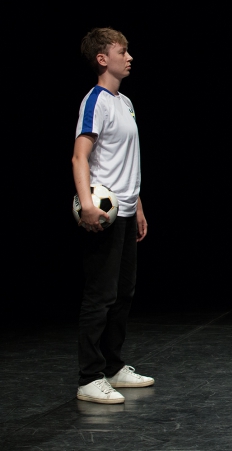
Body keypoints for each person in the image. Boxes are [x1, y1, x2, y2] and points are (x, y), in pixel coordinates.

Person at [72, 28, 152, 404]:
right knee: (100, 295)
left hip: (126, 209)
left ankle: (114, 366)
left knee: (123, 293)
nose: (129, 57)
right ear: (103, 59)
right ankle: (89, 377)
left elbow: (126, 160)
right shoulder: (96, 101)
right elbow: (80, 156)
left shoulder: (125, 102)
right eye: (123, 51)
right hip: (104, 212)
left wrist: (138, 207)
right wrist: (87, 203)